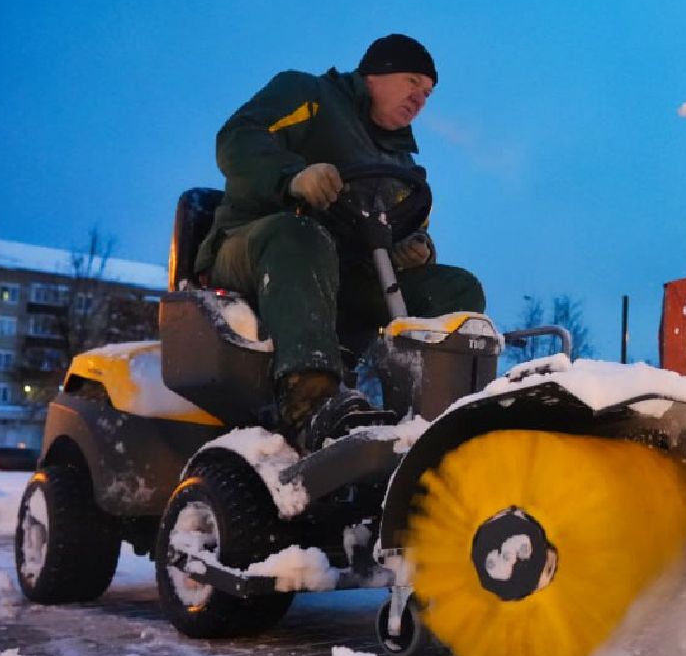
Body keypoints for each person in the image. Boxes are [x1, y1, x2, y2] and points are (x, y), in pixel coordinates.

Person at [193, 33, 486, 452]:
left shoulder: (402, 166)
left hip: (342, 279)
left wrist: (412, 251)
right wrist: (292, 176)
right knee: (301, 234)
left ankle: (433, 421)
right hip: (256, 253)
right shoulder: (309, 95)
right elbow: (238, 138)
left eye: (428, 93)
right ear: (377, 74)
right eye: (412, 81)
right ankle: (310, 400)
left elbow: (410, 228)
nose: (421, 98)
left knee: (456, 288)